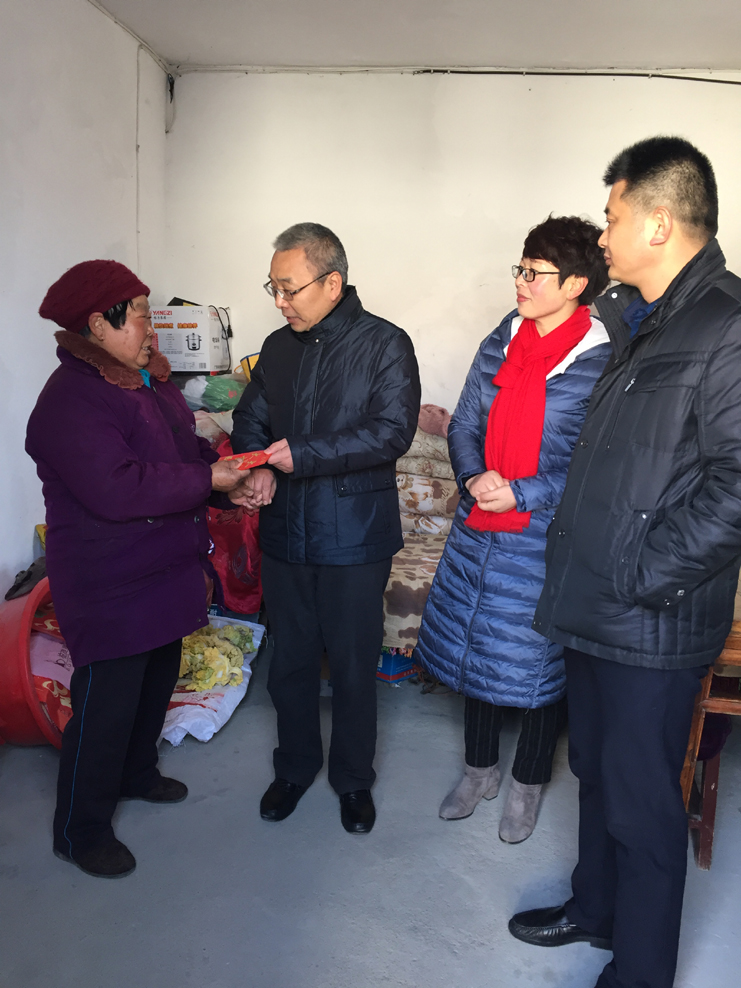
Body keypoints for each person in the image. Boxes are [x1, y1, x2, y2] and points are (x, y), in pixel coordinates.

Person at [509, 138, 741, 988]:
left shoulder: (726, 323)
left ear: (658, 221)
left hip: (649, 612)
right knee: (595, 773)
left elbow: (736, 482)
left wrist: (645, 572)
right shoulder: (637, 319)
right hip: (596, 603)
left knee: (642, 806)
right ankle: (594, 908)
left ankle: (638, 974)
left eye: (611, 218)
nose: (601, 235)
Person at [26, 260, 249, 879]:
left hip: (163, 566)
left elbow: (185, 451)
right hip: (110, 578)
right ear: (99, 323)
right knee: (106, 706)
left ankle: (137, 774)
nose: (153, 329)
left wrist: (228, 477)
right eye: (144, 316)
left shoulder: (147, 383)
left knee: (156, 681)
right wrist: (208, 479)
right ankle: (80, 829)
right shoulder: (71, 398)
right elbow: (117, 488)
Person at [415, 216, 610, 842]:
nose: (521, 282)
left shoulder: (601, 359)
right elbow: (466, 421)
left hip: (545, 536)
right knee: (476, 647)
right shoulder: (503, 337)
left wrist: (521, 492)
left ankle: (526, 784)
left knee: (537, 666)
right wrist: (474, 476)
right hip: (480, 524)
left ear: (576, 284)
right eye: (519, 268)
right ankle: (479, 771)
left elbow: (596, 465)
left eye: (535, 272)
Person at [230, 223, 420, 834]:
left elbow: (391, 431)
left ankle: (354, 779)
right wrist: (259, 467)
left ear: (331, 283)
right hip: (285, 532)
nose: (279, 301)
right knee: (289, 661)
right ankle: (294, 767)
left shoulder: (385, 344)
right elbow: (249, 419)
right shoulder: (277, 348)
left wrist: (302, 455)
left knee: (353, 663)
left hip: (354, 537)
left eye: (289, 288)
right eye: (273, 288)